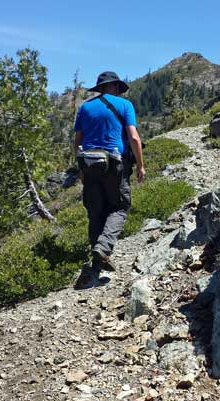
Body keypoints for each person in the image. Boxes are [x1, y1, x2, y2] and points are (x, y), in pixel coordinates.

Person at [74, 71, 145, 288]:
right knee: (120, 208)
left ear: (100, 88)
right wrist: (141, 165)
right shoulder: (125, 105)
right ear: (115, 87)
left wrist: (81, 170)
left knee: (96, 210)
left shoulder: (85, 107)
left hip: (90, 163)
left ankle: (95, 263)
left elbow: (77, 141)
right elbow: (133, 137)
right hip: (115, 164)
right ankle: (103, 249)